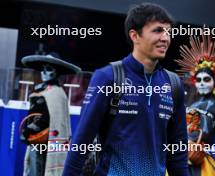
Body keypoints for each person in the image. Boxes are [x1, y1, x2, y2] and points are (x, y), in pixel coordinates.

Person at [63, 3, 188, 176]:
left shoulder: (174, 84)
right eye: (158, 30)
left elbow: (178, 153)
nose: (165, 38)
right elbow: (81, 142)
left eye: (168, 32)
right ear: (135, 35)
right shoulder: (108, 77)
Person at [176, 34, 215, 176]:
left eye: (206, 79)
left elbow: (200, 132)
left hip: (195, 159)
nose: (202, 83)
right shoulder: (197, 103)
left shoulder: (211, 105)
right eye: (198, 80)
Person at [20, 54, 81, 176]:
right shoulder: (41, 91)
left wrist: (29, 131)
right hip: (35, 142)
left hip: (45, 144)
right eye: (42, 69)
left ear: (56, 72)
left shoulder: (57, 94)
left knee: (40, 170)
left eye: (48, 69)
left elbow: (49, 119)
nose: (43, 72)